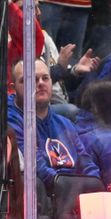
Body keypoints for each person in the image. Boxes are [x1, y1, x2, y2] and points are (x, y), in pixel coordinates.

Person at [7, 59, 100, 189]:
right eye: (31, 79)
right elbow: (35, 168)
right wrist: (69, 186)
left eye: (45, 78)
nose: (40, 83)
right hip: (43, 199)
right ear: (13, 89)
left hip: (73, 192)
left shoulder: (65, 123)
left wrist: (95, 183)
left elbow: (86, 163)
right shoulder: (10, 123)